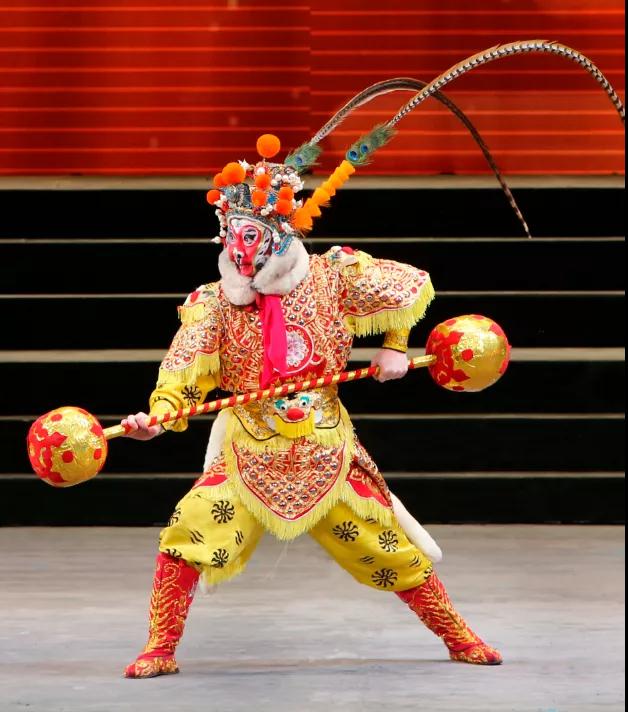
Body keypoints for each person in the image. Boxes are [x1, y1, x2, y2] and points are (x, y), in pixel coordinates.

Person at [121, 132, 503, 679]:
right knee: (188, 533)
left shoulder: (332, 276)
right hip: (250, 451)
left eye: (251, 235)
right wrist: (155, 421)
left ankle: (458, 635)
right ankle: (160, 646)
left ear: (279, 234)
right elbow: (182, 375)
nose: (239, 250)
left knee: (388, 545)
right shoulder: (214, 304)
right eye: (231, 236)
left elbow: (407, 285)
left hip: (326, 448)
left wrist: (395, 347)